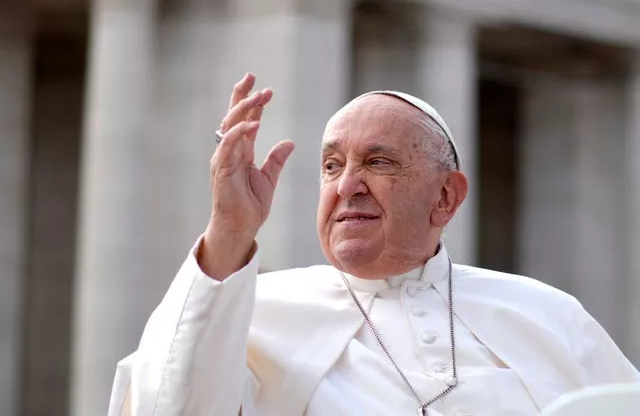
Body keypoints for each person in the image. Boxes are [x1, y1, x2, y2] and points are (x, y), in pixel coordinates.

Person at [107, 73, 639, 416]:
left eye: (378, 163)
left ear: (446, 198)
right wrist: (229, 228)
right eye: (332, 166)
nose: (346, 186)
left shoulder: (547, 315)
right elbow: (171, 409)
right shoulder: (255, 315)